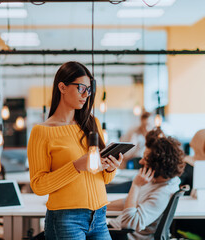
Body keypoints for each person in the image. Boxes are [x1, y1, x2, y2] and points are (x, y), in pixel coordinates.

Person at [27, 61, 124, 240]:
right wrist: (77, 166)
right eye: (81, 88)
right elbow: (38, 186)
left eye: (89, 89)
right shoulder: (41, 131)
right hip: (66, 219)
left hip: (100, 215)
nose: (86, 94)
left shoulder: (91, 123)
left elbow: (104, 178)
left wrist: (111, 167)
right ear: (62, 87)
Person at [107, 129, 185, 240]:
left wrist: (136, 185)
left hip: (123, 235)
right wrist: (100, 207)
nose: (140, 161)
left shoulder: (163, 193)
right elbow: (128, 202)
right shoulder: (157, 181)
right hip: (117, 229)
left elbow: (128, 223)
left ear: (158, 164)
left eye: (146, 158)